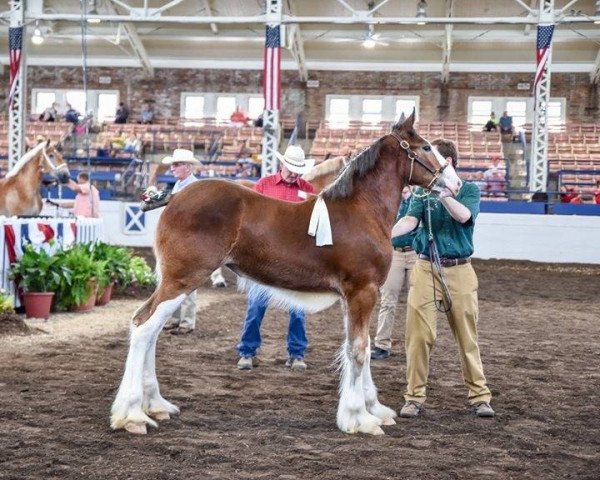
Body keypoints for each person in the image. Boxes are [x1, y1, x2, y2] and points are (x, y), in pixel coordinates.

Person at [391, 138, 495, 419]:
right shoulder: (421, 195)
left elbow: (463, 217)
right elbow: (411, 221)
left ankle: (480, 396)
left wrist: (444, 195)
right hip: (425, 268)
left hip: (460, 270)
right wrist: (384, 232)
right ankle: (414, 397)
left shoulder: (470, 190)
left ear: (446, 163)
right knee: (418, 336)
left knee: (466, 336)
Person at [236, 145, 315, 372]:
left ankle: (297, 354)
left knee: (298, 310)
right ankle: (247, 351)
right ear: (282, 165)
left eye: (298, 170)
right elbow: (251, 219)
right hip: (265, 257)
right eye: (291, 169)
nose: (294, 174)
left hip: (296, 259)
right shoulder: (263, 186)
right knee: (256, 307)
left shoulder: (308, 190)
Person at [370, 186, 418, 360]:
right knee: (388, 300)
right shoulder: (389, 199)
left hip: (415, 252)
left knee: (417, 302)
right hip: (395, 252)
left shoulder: (418, 199)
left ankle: (416, 344)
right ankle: (382, 344)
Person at [161, 149, 201, 335]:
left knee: (187, 281)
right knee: (175, 279)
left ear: (187, 167)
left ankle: (186, 321)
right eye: (173, 165)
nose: (172, 168)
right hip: (179, 239)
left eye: (176, 165)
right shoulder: (179, 185)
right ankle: (176, 318)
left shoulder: (194, 187)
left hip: (189, 240)